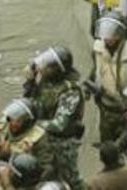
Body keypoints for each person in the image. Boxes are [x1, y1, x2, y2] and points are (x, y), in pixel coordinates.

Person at [23, 47, 85, 190]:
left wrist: (34, 124)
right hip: (42, 137)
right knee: (42, 174)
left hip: (63, 141)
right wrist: (30, 82)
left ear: (57, 70)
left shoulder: (70, 91)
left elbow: (60, 124)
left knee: (71, 178)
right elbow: (31, 103)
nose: (42, 68)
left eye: (47, 66)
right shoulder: (45, 81)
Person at [87, 10, 127, 142]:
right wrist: (89, 85)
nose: (108, 38)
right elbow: (96, 68)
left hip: (126, 110)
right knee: (107, 148)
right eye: (105, 32)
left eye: (112, 33)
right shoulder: (98, 48)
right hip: (105, 107)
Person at [2, 98, 54, 181]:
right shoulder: (4, 128)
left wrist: (29, 157)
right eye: (11, 119)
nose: (13, 124)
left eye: (18, 121)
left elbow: (45, 168)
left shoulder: (38, 137)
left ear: (27, 122)